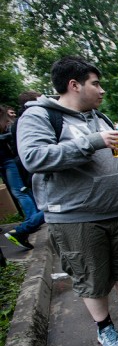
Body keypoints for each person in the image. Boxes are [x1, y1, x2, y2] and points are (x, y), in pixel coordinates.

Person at [17, 55, 118, 346]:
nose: (102, 90)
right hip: (75, 217)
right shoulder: (40, 116)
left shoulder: (100, 117)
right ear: (74, 85)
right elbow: (34, 158)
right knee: (90, 274)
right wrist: (92, 142)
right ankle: (104, 327)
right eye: (96, 84)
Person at [0, 104, 45, 250]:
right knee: (60, 205)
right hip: (19, 164)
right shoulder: (29, 121)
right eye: (5, 118)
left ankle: (25, 226)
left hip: (13, 163)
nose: (8, 121)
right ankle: (25, 227)